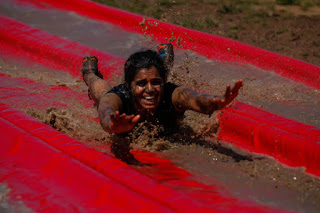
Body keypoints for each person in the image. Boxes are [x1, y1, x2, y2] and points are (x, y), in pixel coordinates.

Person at [81, 44, 243, 164]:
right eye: (141, 84)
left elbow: (196, 100)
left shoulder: (173, 95)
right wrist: (113, 125)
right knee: (101, 91)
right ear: (129, 85)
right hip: (113, 96)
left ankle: (164, 64)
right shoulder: (119, 97)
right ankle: (89, 74)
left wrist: (216, 102)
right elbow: (105, 110)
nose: (150, 90)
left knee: (157, 72)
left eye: (156, 83)